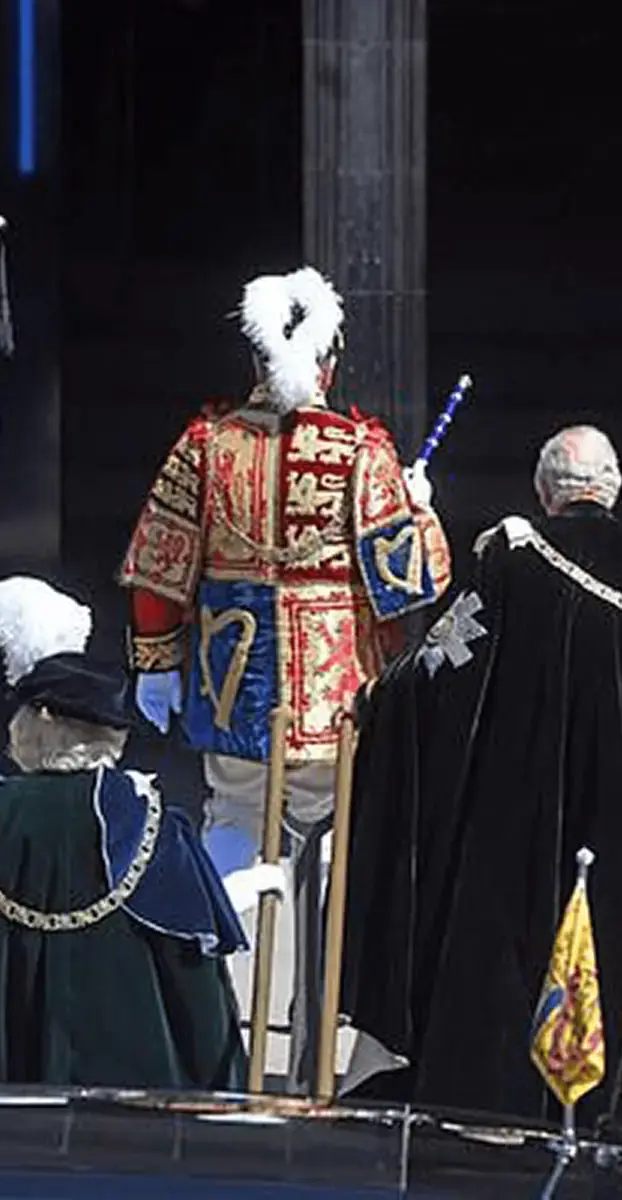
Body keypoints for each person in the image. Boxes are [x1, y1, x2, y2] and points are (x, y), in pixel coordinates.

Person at [321, 426, 622, 1196]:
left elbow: (442, 670)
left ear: (545, 489)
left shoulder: (517, 556)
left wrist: (374, 702)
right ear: (613, 486)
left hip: (538, 839)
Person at [116, 265, 451, 1074]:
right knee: (334, 866)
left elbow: (161, 568)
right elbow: (407, 583)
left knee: (231, 838)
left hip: (232, 687)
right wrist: (422, 507)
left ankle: (212, 1038)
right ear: (328, 362)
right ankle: (315, 1043)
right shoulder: (360, 449)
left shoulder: (205, 444)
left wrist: (156, 666)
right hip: (337, 698)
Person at [0, 576, 249, 1089]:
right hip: (137, 1080)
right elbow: (193, 963)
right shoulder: (146, 813)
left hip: (25, 1077)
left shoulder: (2, 811)